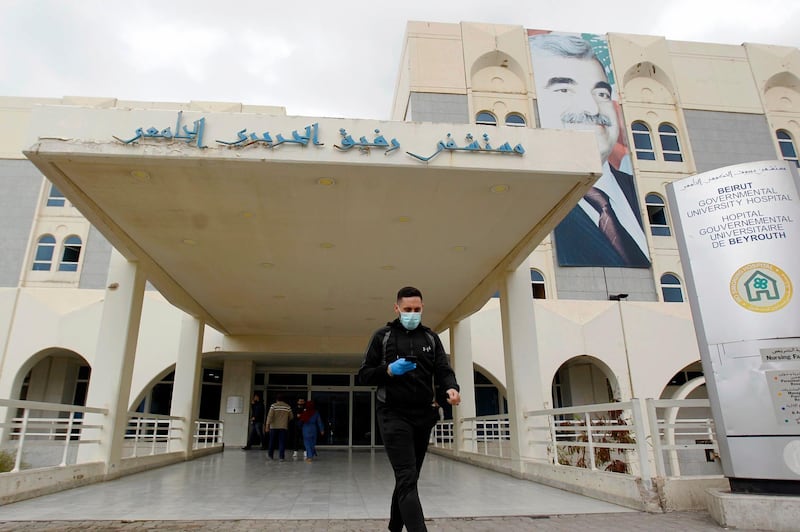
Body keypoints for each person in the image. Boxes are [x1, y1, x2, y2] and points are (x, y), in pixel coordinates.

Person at [529, 32, 651, 268]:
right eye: (564, 90)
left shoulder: (644, 196)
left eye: (601, 93)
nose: (591, 107)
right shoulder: (527, 200)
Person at [358, 286, 461, 532]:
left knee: (409, 477)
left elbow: (443, 370)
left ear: (422, 308)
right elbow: (364, 375)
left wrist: (451, 388)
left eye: (416, 309)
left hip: (423, 416)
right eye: (407, 310)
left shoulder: (430, 338)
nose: (412, 314)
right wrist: (389, 370)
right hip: (392, 414)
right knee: (406, 476)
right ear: (397, 309)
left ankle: (395, 528)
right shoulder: (382, 336)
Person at [265, 393, 293, 461]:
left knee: (272, 441)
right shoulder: (287, 407)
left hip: (273, 427)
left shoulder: (273, 406)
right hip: (283, 427)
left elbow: (270, 416)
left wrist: (267, 426)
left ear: (276, 399)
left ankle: (270, 456)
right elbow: (291, 417)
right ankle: (281, 457)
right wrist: (285, 421)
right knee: (282, 442)